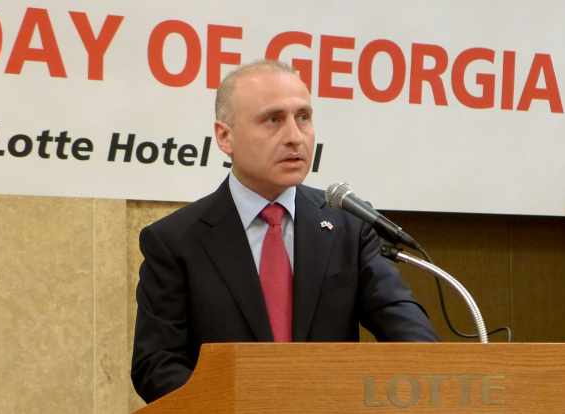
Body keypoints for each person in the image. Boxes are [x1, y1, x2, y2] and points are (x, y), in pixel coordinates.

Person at [131, 60, 439, 403]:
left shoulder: (349, 225)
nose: (294, 137)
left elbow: (410, 337)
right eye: (273, 119)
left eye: (303, 117)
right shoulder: (175, 241)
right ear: (224, 136)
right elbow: (156, 364)